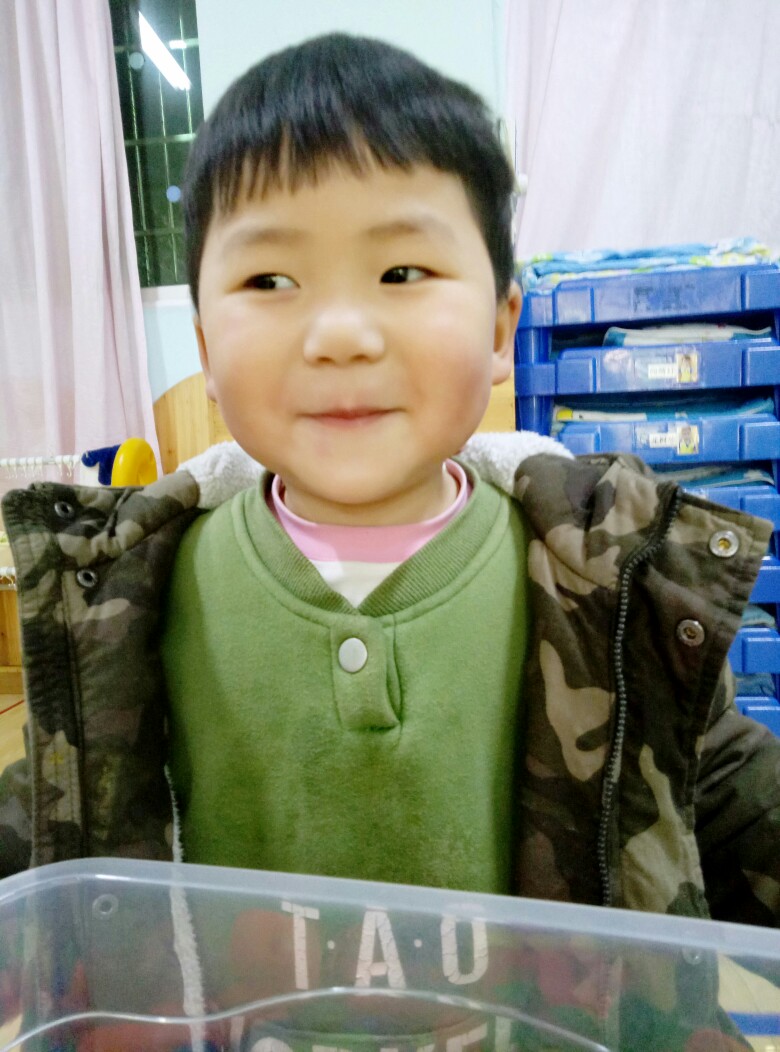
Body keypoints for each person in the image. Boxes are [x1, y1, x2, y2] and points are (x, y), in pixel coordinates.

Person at [0, 34, 778, 1043]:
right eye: (269, 280)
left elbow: (716, 784)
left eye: (402, 270)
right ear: (205, 348)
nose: (339, 333)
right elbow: (50, 813)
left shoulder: (608, 586)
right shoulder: (129, 598)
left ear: (499, 328)